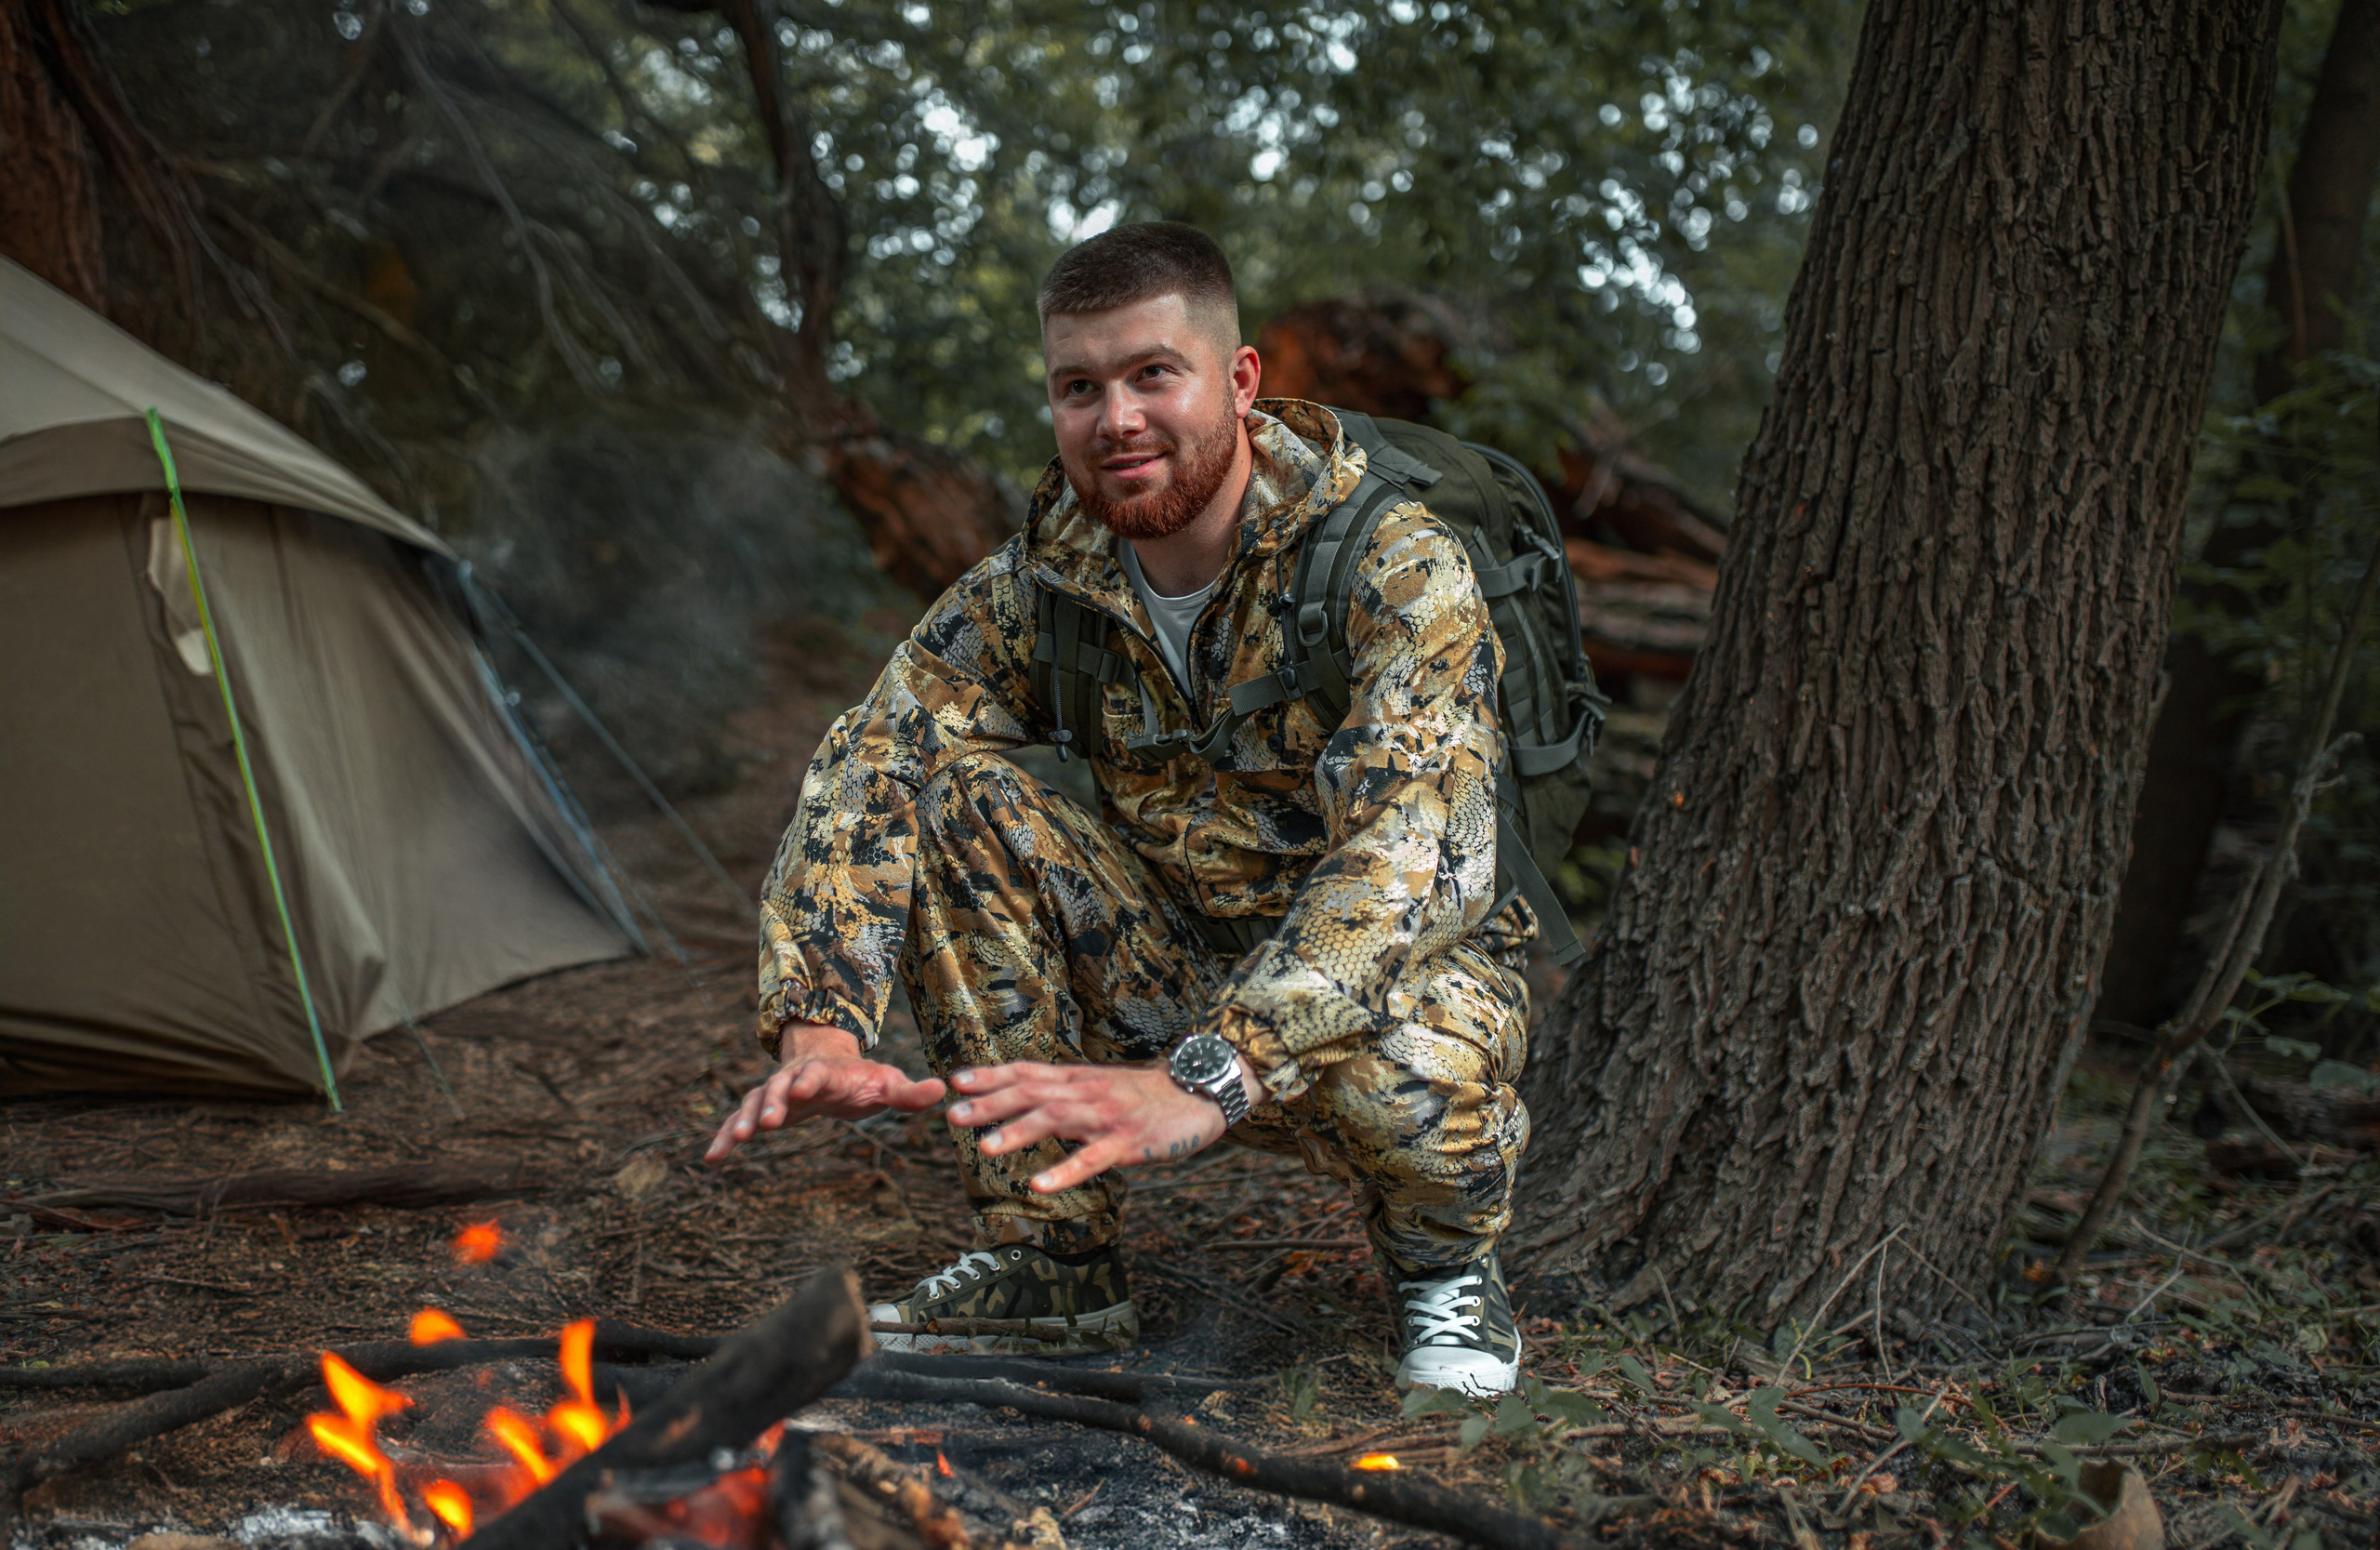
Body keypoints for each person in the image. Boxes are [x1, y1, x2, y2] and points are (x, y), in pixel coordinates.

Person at [705, 222, 1532, 1396]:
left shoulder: (1394, 563)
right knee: (956, 797)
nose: (1117, 420)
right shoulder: (1043, 585)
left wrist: (1207, 1074)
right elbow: (872, 759)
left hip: (1390, 966)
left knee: (1408, 1047)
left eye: (1153, 374)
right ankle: (1048, 1264)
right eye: (1079, 387)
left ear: (1238, 382)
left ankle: (1445, 1265)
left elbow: (1410, 862)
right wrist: (822, 1022)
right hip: (1169, 949)